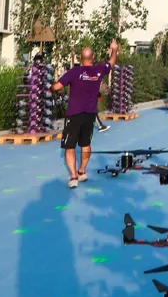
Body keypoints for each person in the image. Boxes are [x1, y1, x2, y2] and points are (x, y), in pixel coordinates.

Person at [51, 41, 118, 188]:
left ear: (80, 58)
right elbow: (111, 62)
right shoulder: (98, 70)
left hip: (74, 115)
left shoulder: (74, 72)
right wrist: (114, 49)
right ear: (92, 57)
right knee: (85, 144)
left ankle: (73, 176)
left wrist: (51, 87)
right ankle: (82, 171)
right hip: (89, 115)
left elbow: (56, 86)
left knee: (70, 146)